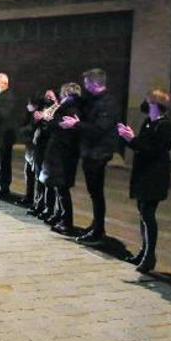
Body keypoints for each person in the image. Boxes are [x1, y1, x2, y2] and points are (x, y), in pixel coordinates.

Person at [117, 89, 171, 273]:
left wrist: (132, 139)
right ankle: (143, 252)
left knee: (148, 215)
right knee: (142, 213)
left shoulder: (164, 126)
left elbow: (153, 150)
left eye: (148, 102)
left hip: (154, 175)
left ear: (156, 106)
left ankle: (150, 256)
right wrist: (130, 138)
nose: (145, 106)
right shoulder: (149, 122)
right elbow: (141, 145)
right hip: (144, 174)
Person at [59, 68, 118, 244]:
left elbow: (99, 129)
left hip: (98, 153)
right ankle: (95, 225)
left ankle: (99, 230)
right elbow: (83, 103)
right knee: (94, 193)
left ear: (94, 83)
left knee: (96, 193)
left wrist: (77, 125)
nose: (84, 86)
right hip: (90, 152)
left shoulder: (107, 103)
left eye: (86, 83)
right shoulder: (94, 100)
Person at [41, 83, 82, 235]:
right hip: (63, 154)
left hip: (62, 155)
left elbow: (53, 123)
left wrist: (50, 118)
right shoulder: (71, 108)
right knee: (60, 189)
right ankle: (61, 218)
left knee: (62, 189)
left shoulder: (68, 109)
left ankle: (66, 222)